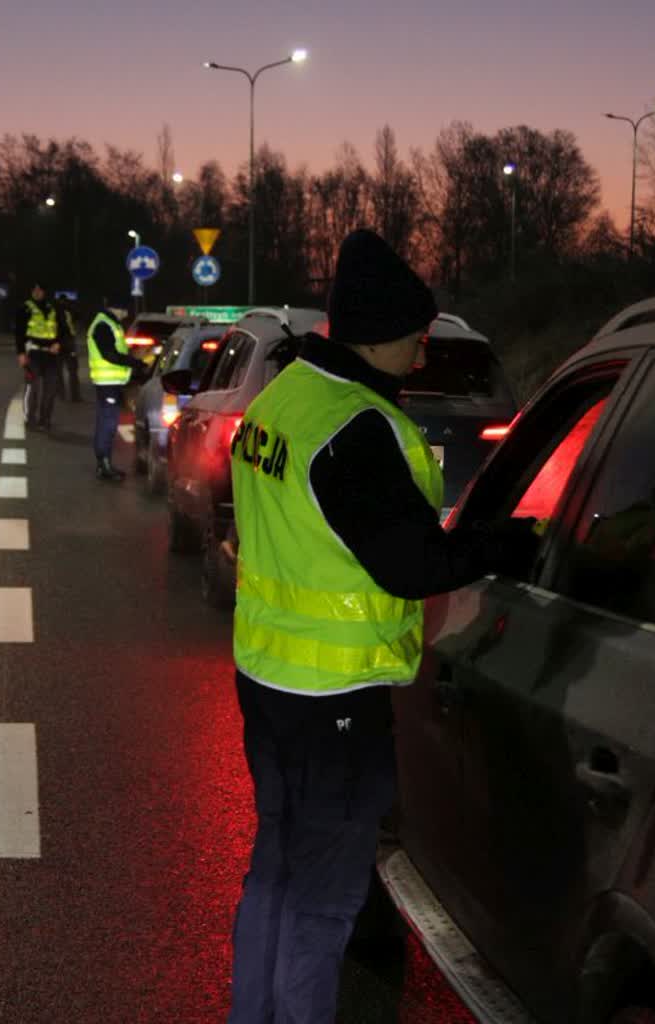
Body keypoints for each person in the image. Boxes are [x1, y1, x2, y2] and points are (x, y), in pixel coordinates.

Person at [226, 229, 539, 1024]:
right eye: (417, 335)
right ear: (384, 334)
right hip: (333, 696)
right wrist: (510, 543)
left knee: (275, 871)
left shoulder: (282, 398)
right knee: (324, 901)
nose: (422, 351)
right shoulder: (357, 430)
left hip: (267, 678)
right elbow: (413, 566)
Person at [86, 302, 146, 481]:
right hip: (107, 383)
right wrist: (135, 363)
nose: (125, 313)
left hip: (112, 383)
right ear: (113, 308)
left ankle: (104, 464)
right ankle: (104, 465)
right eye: (123, 308)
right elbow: (110, 354)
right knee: (108, 424)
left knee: (107, 423)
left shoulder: (110, 324)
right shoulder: (103, 325)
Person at [16, 284, 65, 430]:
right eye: (34, 290)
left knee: (50, 390)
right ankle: (30, 420)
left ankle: (45, 420)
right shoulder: (25, 308)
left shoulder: (53, 308)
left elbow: (63, 330)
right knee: (33, 388)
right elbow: (19, 332)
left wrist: (58, 344)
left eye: (40, 290)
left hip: (51, 355)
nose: (37, 292)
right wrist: (21, 353)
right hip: (33, 354)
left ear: (44, 291)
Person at [57, 295, 82, 402]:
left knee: (58, 371)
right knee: (73, 370)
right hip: (68, 343)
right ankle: (75, 396)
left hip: (57, 344)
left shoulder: (53, 311)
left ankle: (61, 395)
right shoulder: (69, 310)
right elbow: (78, 317)